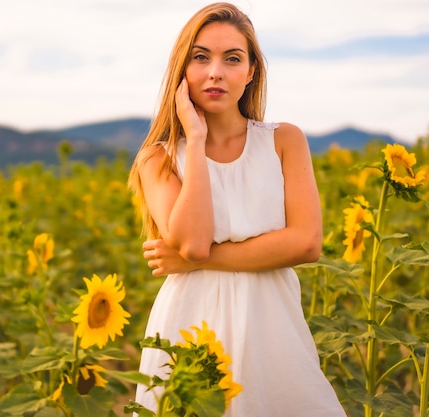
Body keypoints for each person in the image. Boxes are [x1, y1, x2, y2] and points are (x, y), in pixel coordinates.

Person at [128, 3, 346, 416]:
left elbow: (305, 244)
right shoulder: (158, 159)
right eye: (200, 57)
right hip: (188, 326)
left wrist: (199, 261)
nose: (216, 72)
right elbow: (192, 242)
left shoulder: (284, 141)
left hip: (272, 329)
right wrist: (194, 139)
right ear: (183, 71)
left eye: (232, 59)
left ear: (251, 74)